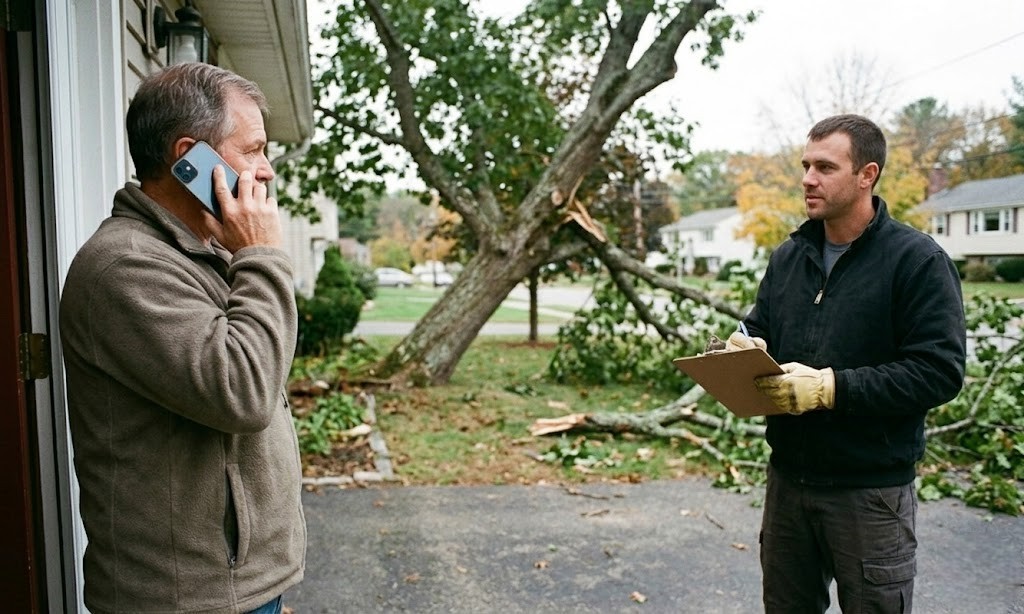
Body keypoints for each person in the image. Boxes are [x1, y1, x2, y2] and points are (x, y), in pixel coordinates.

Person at [59, 63, 305, 613]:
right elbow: (244, 391)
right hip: (184, 600)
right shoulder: (125, 268)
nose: (266, 171)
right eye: (254, 149)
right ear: (191, 157)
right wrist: (261, 255)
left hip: (240, 588)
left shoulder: (203, 250)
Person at [726, 114, 966, 613]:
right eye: (805, 165)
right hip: (789, 481)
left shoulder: (916, 261)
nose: (808, 179)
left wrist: (832, 388)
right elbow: (760, 326)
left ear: (867, 175)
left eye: (825, 167)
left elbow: (939, 370)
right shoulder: (791, 257)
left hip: (870, 492)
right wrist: (739, 346)